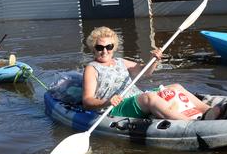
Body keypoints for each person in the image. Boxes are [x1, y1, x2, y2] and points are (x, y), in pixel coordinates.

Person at [83, 26, 219, 121]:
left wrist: (154, 60)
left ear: (114, 47)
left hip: (135, 99)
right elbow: (87, 101)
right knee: (149, 97)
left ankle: (208, 110)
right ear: (93, 49)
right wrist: (107, 102)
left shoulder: (120, 61)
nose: (105, 51)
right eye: (100, 47)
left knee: (176, 87)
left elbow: (146, 72)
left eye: (109, 46)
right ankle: (191, 124)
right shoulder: (92, 68)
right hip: (114, 107)